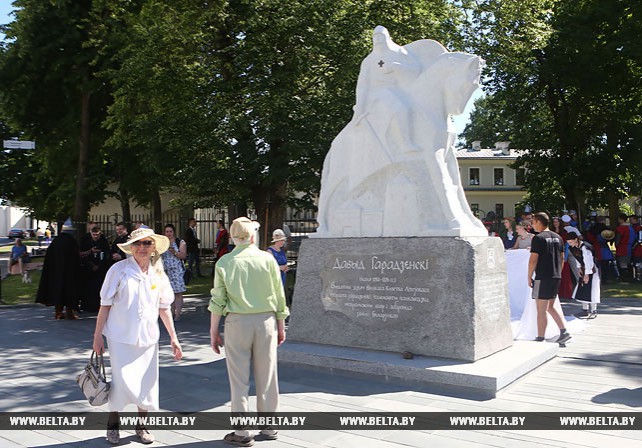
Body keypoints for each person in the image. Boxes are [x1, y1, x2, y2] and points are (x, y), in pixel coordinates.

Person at [93, 227, 183, 445]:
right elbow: (104, 305)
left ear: (154, 248)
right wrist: (97, 337)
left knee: (147, 382)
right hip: (120, 337)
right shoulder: (118, 270)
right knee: (121, 382)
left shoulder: (157, 274)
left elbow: (163, 308)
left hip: (148, 338)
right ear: (131, 248)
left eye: (147, 244)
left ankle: (142, 426)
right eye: (138, 244)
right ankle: (113, 425)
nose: (142, 248)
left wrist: (173, 338)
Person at [209, 217, 289, 447]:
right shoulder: (268, 259)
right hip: (266, 321)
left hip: (237, 322)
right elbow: (278, 295)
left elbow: (218, 300)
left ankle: (243, 431)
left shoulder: (225, 262)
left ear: (233, 238)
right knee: (268, 376)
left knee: (238, 380)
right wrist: (281, 325)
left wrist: (214, 331)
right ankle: (270, 425)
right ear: (253, 236)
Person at [528, 212, 571, 344]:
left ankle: (540, 338)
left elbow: (533, 260)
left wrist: (529, 276)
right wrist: (558, 271)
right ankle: (564, 331)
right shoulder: (558, 237)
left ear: (539, 222)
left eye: (533, 222)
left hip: (542, 277)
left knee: (541, 310)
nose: (532, 225)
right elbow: (562, 257)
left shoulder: (538, 238)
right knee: (550, 307)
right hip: (556, 276)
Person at [36, 229, 80, 319]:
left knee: (58, 291)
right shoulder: (71, 242)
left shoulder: (55, 242)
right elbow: (76, 258)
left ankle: (58, 312)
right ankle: (69, 313)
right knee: (69, 292)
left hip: (56, 273)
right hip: (69, 274)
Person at [566, 233, 600, 319]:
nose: (570, 244)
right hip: (584, 268)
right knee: (583, 288)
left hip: (591, 269)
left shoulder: (585, 247)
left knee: (591, 289)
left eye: (571, 242)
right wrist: (579, 268)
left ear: (576, 240)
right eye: (568, 242)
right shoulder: (573, 248)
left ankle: (593, 310)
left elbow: (588, 261)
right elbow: (578, 258)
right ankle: (584, 310)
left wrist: (587, 274)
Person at [79, 226, 110, 312]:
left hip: (100, 268)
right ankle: (87, 306)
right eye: (94, 235)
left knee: (99, 287)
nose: (95, 237)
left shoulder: (103, 241)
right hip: (88, 267)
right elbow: (80, 254)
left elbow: (107, 254)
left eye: (97, 235)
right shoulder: (85, 240)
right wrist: (90, 253)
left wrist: (100, 265)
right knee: (88, 288)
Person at [161, 224, 187, 321]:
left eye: (170, 231)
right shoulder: (163, 243)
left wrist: (175, 252)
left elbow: (183, 256)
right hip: (165, 270)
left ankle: (178, 314)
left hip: (177, 270)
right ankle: (170, 313)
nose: (168, 234)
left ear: (174, 232)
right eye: (167, 232)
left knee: (178, 293)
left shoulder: (180, 242)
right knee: (168, 292)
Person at [615, 213, 636, 281]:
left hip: (622, 247)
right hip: (629, 247)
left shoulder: (620, 228)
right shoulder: (631, 228)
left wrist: (616, 244)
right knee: (628, 262)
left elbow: (618, 238)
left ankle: (624, 277)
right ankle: (630, 276)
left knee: (622, 262)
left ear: (621, 219)